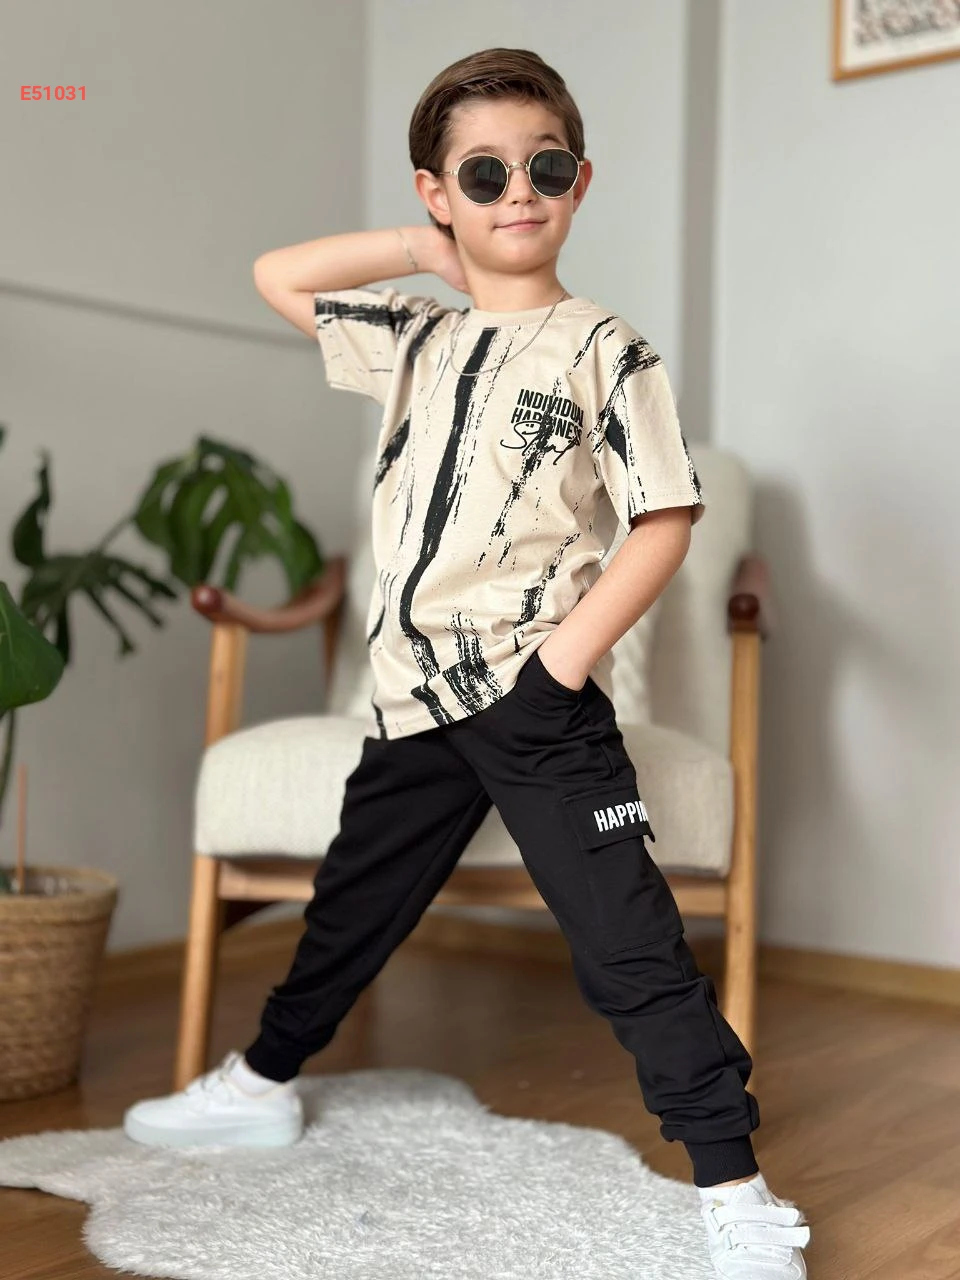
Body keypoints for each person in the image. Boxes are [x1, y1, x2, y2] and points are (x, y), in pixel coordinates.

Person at [123, 47, 811, 1278]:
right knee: (352, 901)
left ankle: (734, 1182)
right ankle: (261, 1080)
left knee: (628, 939)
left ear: (581, 180)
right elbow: (276, 275)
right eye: (483, 173)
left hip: (537, 701)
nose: (518, 191)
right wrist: (418, 247)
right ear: (440, 192)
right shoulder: (414, 339)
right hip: (410, 698)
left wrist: (561, 667)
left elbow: (663, 519)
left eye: (545, 165)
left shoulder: (605, 348)